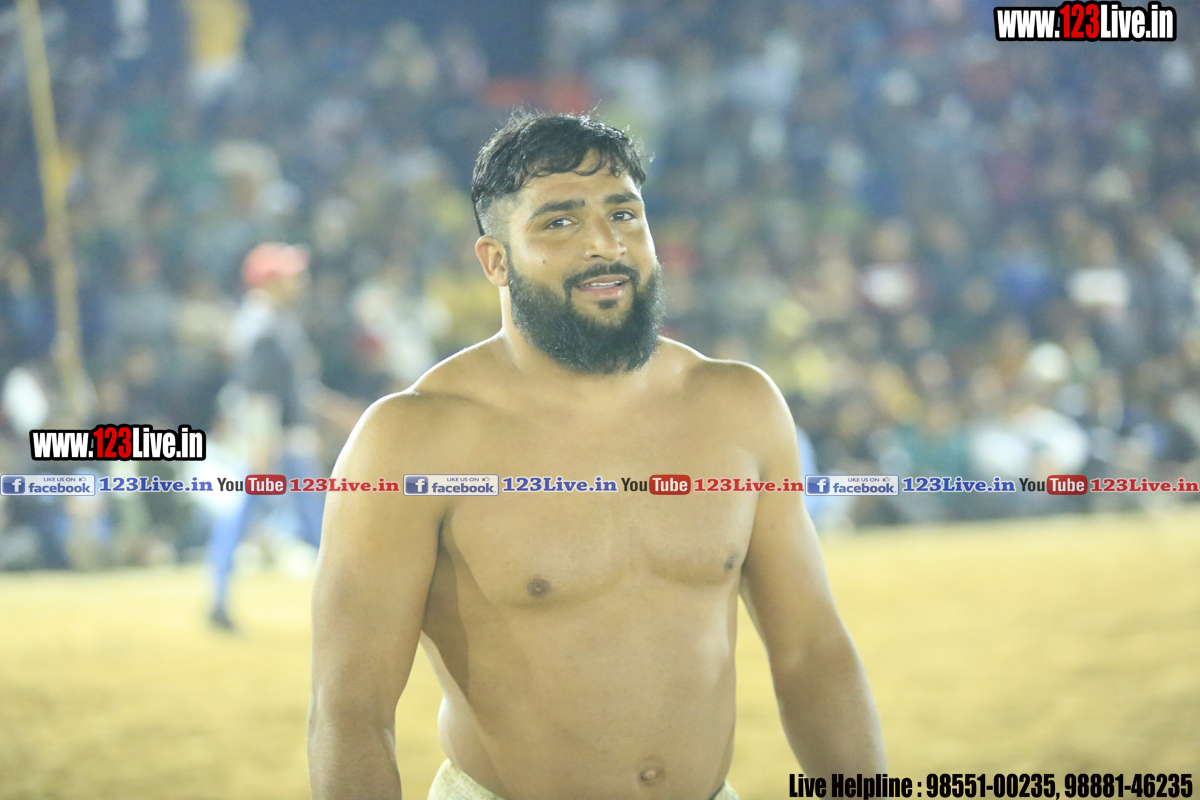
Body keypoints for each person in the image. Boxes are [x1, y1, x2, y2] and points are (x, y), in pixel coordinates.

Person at [308, 113, 885, 800]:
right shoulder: (411, 441)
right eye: (559, 222)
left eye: (623, 214)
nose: (605, 244)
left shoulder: (739, 407)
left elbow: (813, 655)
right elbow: (351, 711)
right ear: (495, 261)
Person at [206, 242, 332, 630]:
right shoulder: (264, 326)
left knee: (293, 517)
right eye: (291, 275)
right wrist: (262, 446)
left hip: (283, 436)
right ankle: (348, 601)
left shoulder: (271, 320)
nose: (300, 281)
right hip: (277, 439)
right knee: (311, 520)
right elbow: (259, 391)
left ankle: (219, 595)